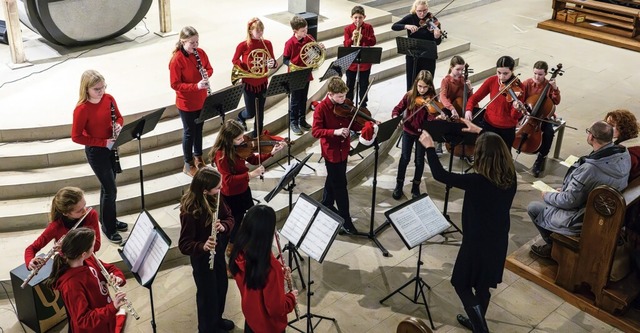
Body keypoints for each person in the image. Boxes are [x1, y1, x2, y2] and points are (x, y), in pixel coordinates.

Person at [418, 119, 517, 333]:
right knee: (482, 286)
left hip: (476, 242)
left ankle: (480, 328)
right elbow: (496, 143)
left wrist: (429, 147)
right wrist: (479, 130)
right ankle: (476, 322)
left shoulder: (477, 181)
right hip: (498, 240)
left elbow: (441, 175)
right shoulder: (510, 175)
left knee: (460, 283)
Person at [528, 121, 631, 258]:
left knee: (534, 208)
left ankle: (553, 249)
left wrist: (548, 195)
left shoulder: (590, 169)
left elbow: (570, 201)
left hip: (583, 219)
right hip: (605, 211)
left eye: (588, 131)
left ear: (591, 137)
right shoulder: (623, 154)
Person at [312, 76, 375, 235]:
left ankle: (326, 203)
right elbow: (316, 131)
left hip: (343, 149)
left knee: (334, 178)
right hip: (331, 152)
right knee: (341, 185)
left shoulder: (345, 105)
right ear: (330, 94)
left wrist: (366, 124)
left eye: (344, 96)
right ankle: (346, 221)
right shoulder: (321, 108)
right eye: (339, 97)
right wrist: (335, 132)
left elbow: (351, 121)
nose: (343, 99)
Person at [71, 70, 128, 244]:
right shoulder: (81, 109)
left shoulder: (109, 98)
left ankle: (108, 220)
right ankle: (108, 228)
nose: (101, 91)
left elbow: (119, 117)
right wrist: (103, 142)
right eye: (97, 89)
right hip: (97, 152)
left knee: (108, 188)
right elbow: (76, 136)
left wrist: (118, 126)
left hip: (111, 147)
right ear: (86, 89)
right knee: (110, 189)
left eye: (103, 87)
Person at [208, 119, 286, 247]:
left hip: (243, 189)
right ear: (229, 139)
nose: (242, 141)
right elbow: (227, 181)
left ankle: (241, 239)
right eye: (238, 139)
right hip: (231, 194)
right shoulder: (221, 155)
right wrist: (251, 174)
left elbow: (254, 159)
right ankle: (230, 244)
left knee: (244, 216)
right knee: (234, 220)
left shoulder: (240, 146)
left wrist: (271, 153)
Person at [179, 167, 236, 332]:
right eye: (218, 187)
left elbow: (229, 217)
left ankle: (216, 320)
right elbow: (184, 244)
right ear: (204, 191)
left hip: (217, 254)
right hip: (202, 259)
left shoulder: (216, 197)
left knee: (221, 287)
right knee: (206, 296)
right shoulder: (189, 211)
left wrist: (224, 226)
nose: (221, 189)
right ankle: (206, 328)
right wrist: (202, 246)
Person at [229, 205, 298, 333]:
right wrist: (291, 298)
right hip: (268, 326)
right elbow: (276, 309)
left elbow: (254, 281)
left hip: (251, 317)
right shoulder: (271, 267)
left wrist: (279, 274)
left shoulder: (238, 252)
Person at [45, 228, 127, 333]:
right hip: (94, 328)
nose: (94, 248)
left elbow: (110, 268)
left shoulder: (88, 259)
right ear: (83, 253)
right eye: (93, 245)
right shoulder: (71, 285)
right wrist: (112, 307)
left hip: (104, 317)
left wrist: (118, 277)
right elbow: (83, 320)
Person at [169, 26, 213, 176]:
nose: (196, 46)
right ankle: (187, 163)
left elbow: (209, 68)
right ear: (183, 42)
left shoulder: (200, 53)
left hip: (201, 99)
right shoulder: (176, 60)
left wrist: (206, 74)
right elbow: (175, 84)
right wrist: (196, 86)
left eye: (197, 42)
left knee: (199, 129)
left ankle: (198, 158)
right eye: (192, 43)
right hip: (186, 103)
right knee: (189, 132)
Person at [25, 187, 101, 270]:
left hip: (88, 261)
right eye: (79, 211)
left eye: (84, 205)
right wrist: (30, 261)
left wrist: (67, 246)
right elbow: (31, 248)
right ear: (65, 213)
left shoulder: (91, 215)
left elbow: (96, 246)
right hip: (67, 265)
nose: (85, 211)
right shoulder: (55, 227)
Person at [391, 70, 437, 200]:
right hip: (408, 131)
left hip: (422, 134)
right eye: (420, 86)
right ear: (416, 84)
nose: (422, 90)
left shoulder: (432, 98)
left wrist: (437, 116)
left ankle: (416, 186)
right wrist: (396, 117)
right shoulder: (410, 95)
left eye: (425, 87)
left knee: (419, 160)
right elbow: (397, 109)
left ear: (430, 87)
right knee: (404, 158)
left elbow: (431, 117)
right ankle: (399, 185)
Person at [465, 55, 525, 150]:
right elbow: (475, 97)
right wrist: (468, 109)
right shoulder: (492, 81)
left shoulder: (519, 88)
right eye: (499, 72)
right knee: (485, 152)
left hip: (507, 129)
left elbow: (514, 116)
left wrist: (517, 109)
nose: (502, 77)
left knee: (503, 156)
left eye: (506, 73)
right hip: (489, 124)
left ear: (512, 70)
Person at [232, 17, 277, 137]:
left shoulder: (267, 44)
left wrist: (272, 63)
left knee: (260, 111)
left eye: (262, 30)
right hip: (249, 83)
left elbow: (273, 60)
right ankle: (241, 116)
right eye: (258, 31)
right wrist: (244, 66)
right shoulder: (243, 45)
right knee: (251, 112)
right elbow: (235, 60)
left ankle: (257, 133)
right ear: (250, 31)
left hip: (262, 82)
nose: (261, 33)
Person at [520, 61, 562, 177]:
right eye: (535, 74)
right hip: (527, 114)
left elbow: (556, 102)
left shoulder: (549, 85)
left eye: (540, 75)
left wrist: (555, 88)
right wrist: (524, 109)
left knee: (549, 133)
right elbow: (521, 99)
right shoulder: (527, 83)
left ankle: (540, 159)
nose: (537, 77)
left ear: (546, 74)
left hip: (542, 116)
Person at [284, 15, 324, 136]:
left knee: (303, 98)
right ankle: (293, 122)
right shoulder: (290, 43)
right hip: (295, 74)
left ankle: (302, 120)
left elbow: (315, 52)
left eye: (306, 29)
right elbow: (285, 59)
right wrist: (291, 64)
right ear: (295, 31)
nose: (306, 32)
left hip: (306, 72)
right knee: (295, 100)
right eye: (303, 30)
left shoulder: (309, 38)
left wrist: (320, 49)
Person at [392, 0, 443, 90]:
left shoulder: (433, 21)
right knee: (411, 82)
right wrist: (406, 26)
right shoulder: (411, 18)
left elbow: (437, 42)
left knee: (427, 83)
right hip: (412, 55)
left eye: (424, 10)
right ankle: (410, 102)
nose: (422, 14)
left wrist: (437, 36)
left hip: (428, 57)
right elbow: (394, 26)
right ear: (415, 9)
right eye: (419, 11)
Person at [343, 5, 376, 108]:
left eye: (360, 17)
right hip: (351, 63)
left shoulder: (369, 27)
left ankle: (362, 105)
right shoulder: (348, 29)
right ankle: (348, 104)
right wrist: (352, 38)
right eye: (355, 17)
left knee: (363, 85)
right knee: (349, 84)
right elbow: (346, 45)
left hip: (365, 62)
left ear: (364, 17)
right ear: (351, 17)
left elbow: (373, 41)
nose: (358, 20)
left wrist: (363, 37)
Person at [605, 109, 640, 180]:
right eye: (606, 124)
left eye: (611, 125)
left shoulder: (627, 154)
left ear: (623, 128)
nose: (606, 128)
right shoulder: (632, 143)